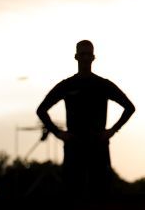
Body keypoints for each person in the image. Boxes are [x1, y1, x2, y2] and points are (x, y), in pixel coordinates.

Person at [37, 40, 136, 196]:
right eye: (82, 54)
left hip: (98, 146)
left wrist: (112, 130)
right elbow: (41, 110)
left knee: (101, 193)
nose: (85, 58)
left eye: (88, 54)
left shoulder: (103, 85)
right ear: (76, 57)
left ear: (93, 57)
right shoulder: (67, 85)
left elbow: (129, 107)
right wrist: (58, 133)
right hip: (74, 147)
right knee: (72, 193)